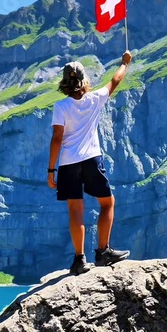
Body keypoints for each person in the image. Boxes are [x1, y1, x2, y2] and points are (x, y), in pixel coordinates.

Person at [47, 50, 132, 275]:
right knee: (107, 203)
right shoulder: (95, 99)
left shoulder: (61, 108)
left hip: (67, 163)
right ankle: (103, 251)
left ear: (65, 83)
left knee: (75, 210)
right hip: (92, 159)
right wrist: (125, 63)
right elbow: (115, 80)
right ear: (84, 81)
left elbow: (56, 139)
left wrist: (50, 170)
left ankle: (79, 260)